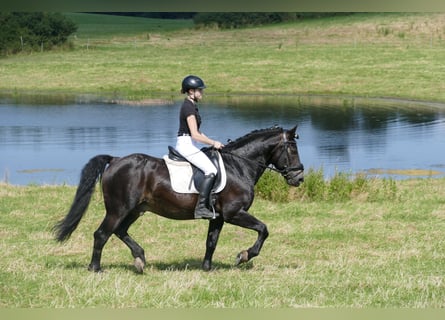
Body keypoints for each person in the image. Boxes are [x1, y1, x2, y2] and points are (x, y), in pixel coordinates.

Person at [176, 75, 224, 219]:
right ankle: (201, 208)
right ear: (191, 91)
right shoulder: (188, 108)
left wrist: (212, 141)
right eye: (199, 90)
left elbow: (198, 132)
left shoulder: (191, 106)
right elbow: (195, 135)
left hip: (190, 143)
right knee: (211, 170)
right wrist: (212, 143)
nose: (202, 93)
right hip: (186, 145)